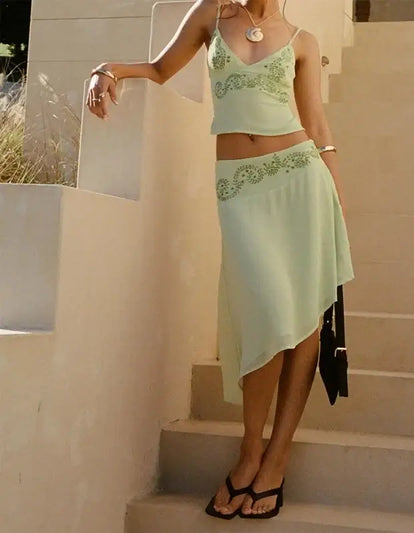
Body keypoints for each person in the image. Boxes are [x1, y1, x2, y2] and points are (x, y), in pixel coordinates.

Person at [86, 0, 355, 520]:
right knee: (264, 313)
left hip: (301, 181)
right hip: (240, 190)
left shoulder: (301, 40)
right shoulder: (210, 14)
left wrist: (338, 201)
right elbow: (160, 69)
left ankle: (276, 458)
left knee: (303, 324)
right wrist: (107, 69)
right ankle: (250, 449)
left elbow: (318, 126)